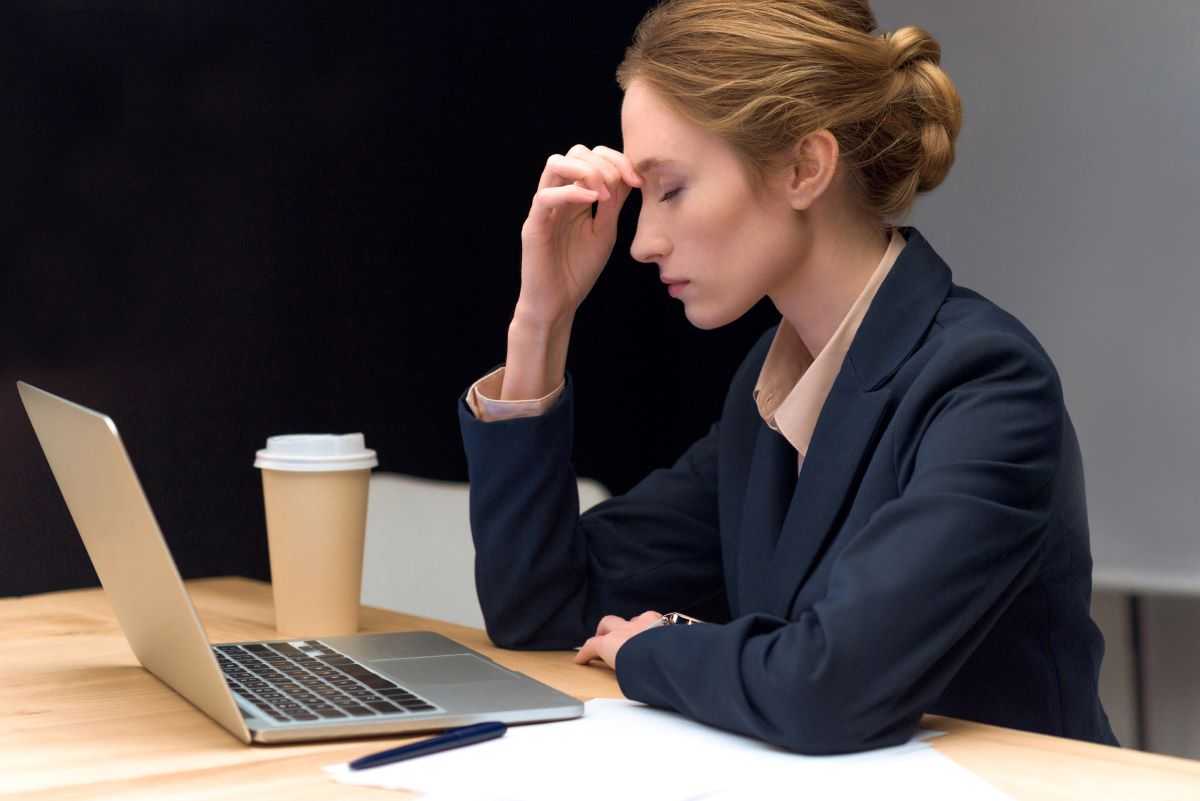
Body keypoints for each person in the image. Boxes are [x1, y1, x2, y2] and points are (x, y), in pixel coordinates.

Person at [457, 0, 1117, 754]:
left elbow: (828, 685)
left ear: (805, 167)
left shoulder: (988, 384)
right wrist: (541, 317)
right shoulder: (771, 388)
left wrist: (656, 643)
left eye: (670, 190)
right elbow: (541, 607)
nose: (640, 242)